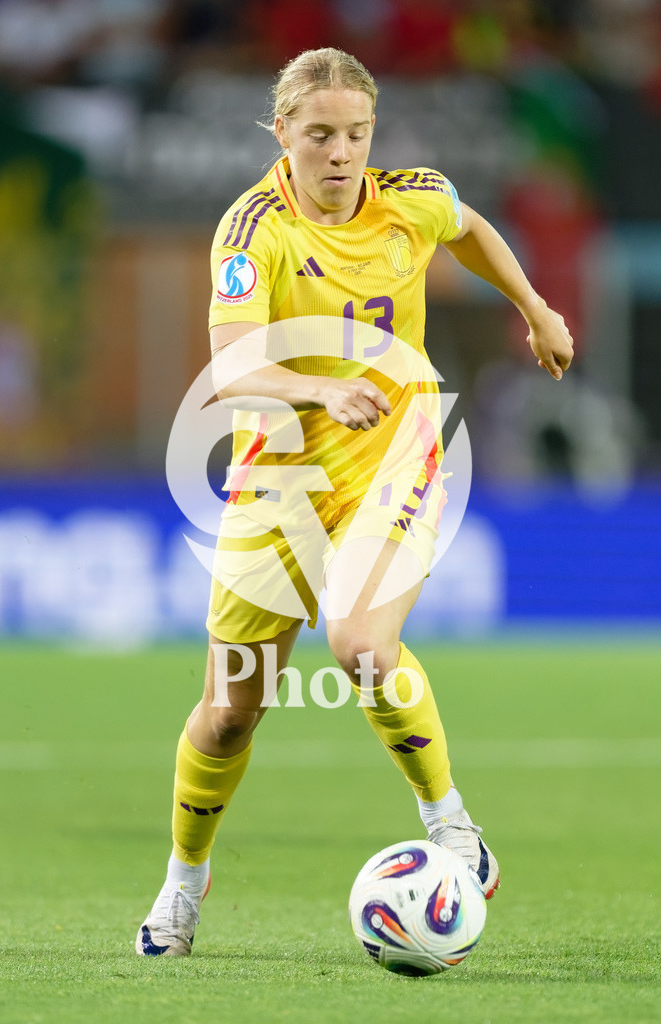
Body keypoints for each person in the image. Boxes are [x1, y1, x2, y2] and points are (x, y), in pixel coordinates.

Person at [136, 47, 573, 957]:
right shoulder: (252, 228)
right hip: (283, 474)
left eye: (357, 134)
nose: (341, 153)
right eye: (321, 134)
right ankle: (183, 882)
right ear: (282, 133)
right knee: (229, 711)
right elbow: (232, 368)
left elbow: (469, 226)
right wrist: (320, 390)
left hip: (400, 452)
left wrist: (533, 307)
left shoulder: (407, 197)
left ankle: (449, 823)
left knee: (360, 644)